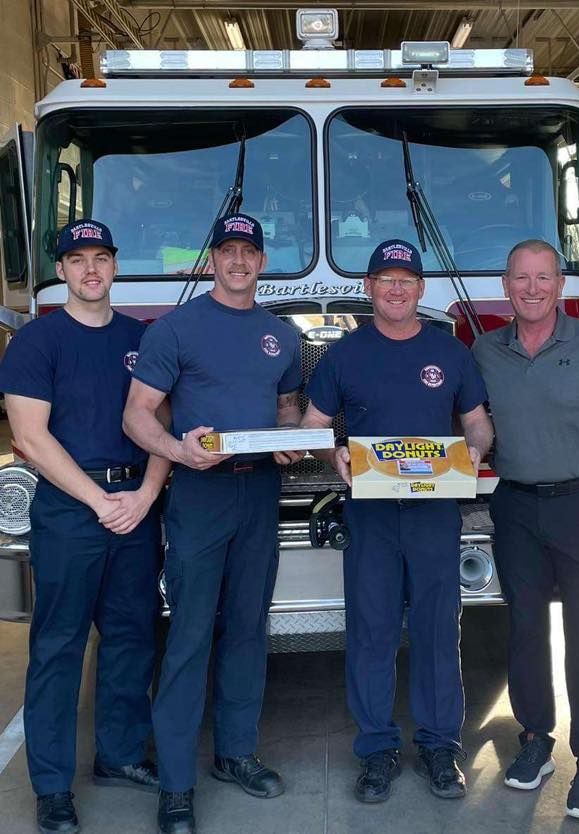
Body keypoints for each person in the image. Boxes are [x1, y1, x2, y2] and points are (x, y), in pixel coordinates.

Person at [122, 213, 303, 834]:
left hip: (260, 492)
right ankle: (176, 784)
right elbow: (137, 415)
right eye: (228, 251)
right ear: (212, 260)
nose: (238, 261)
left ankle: (235, 753)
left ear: (262, 261)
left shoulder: (282, 336)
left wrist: (289, 439)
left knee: (248, 628)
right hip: (200, 495)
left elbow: (286, 408)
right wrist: (177, 451)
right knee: (190, 635)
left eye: (249, 251)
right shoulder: (176, 329)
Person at [300, 239, 493, 804]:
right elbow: (313, 425)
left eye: (406, 280)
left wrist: (475, 450)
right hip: (372, 513)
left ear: (420, 288)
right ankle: (377, 749)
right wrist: (333, 453)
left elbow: (477, 421)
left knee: (437, 630)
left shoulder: (450, 352)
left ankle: (439, 746)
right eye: (385, 279)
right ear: (369, 288)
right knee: (372, 631)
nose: (396, 289)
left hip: (434, 512)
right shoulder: (344, 355)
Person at [0, 219, 170, 834]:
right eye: (78, 260)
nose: (90, 270)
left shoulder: (143, 339)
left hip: (136, 506)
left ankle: (119, 755)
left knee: (132, 635)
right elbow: (29, 437)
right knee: (58, 646)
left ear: (115, 265)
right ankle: (51, 786)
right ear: (62, 271)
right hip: (73, 511)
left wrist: (146, 494)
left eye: (100, 258)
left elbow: (163, 426)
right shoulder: (37, 342)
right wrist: (101, 500)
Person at [472, 239, 579, 821]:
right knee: (524, 631)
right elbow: (472, 423)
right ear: (506, 285)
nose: (532, 288)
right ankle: (535, 740)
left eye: (543, 277)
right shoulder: (485, 350)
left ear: (559, 285)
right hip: (515, 506)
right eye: (521, 278)